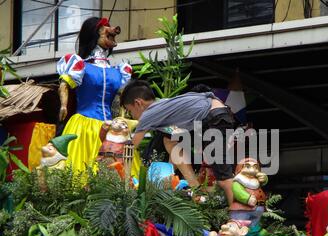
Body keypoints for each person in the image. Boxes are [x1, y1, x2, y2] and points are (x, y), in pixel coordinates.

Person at [120, 80, 236, 206]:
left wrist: (116, 164)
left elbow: (131, 148)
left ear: (138, 103)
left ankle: (237, 216)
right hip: (207, 118)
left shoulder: (148, 114)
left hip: (215, 118)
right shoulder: (163, 104)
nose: (132, 116)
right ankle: (195, 186)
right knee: (169, 139)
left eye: (130, 111)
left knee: (223, 179)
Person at [57, 17, 132, 174]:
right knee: (80, 169)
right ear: (94, 34)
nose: (111, 32)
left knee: (118, 173)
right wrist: (63, 105)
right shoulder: (80, 65)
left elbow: (120, 102)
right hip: (84, 126)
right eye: (105, 30)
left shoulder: (119, 71)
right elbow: (64, 84)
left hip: (112, 130)